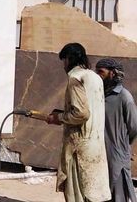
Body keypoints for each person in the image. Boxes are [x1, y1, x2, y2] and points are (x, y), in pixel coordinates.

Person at [47, 42, 111, 202]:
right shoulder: (95, 77)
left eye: (64, 61)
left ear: (69, 59)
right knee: (94, 194)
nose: (63, 65)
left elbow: (81, 113)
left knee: (77, 194)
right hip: (95, 145)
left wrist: (59, 118)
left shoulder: (75, 78)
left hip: (79, 148)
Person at [95, 58, 137, 202]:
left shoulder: (125, 97)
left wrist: (122, 144)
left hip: (117, 155)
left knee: (118, 195)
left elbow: (134, 126)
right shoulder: (99, 95)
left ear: (112, 73)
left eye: (101, 72)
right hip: (100, 153)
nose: (98, 76)